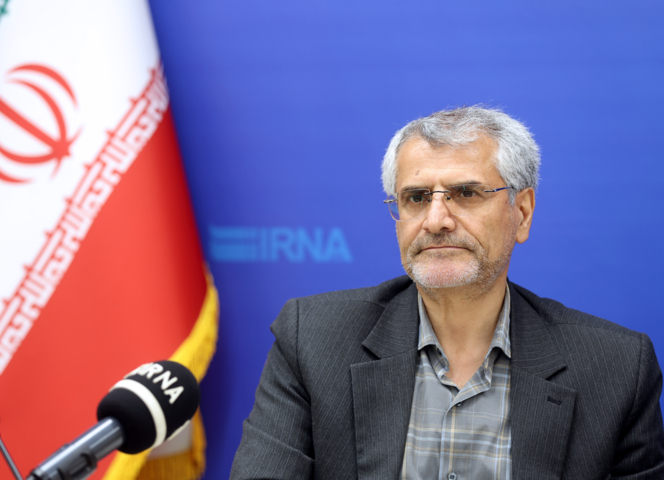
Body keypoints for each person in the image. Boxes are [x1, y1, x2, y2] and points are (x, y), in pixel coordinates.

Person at [230, 106, 664, 479]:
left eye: (466, 193)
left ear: (522, 212)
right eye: (417, 198)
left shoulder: (617, 369)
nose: (436, 220)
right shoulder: (313, 340)